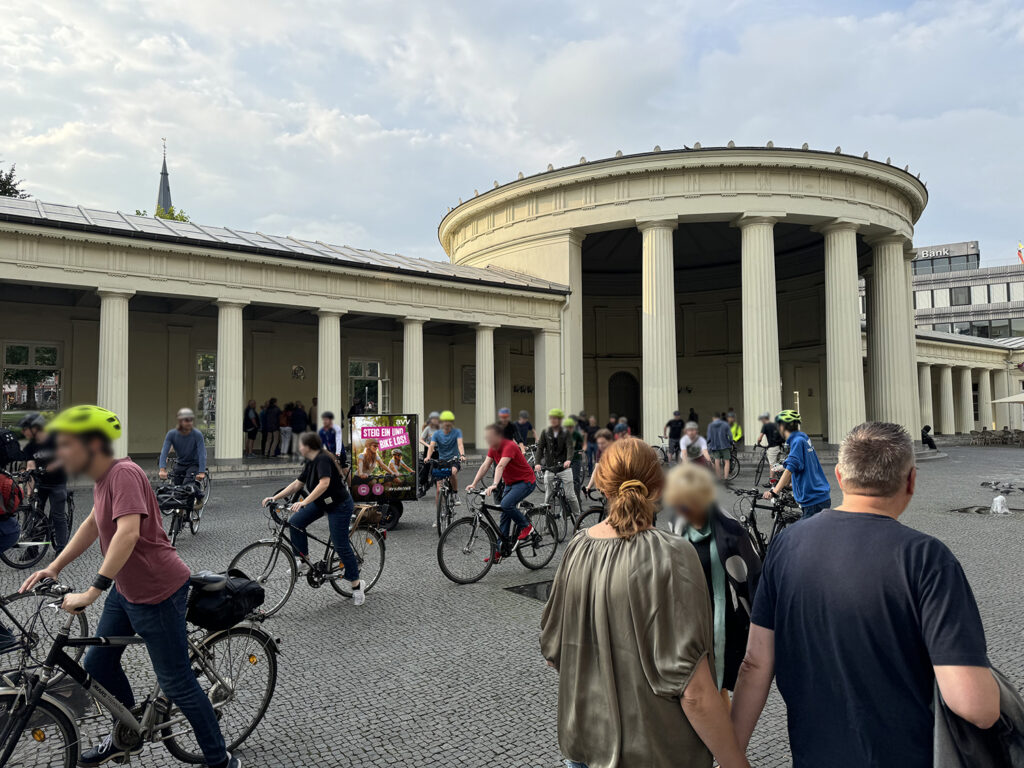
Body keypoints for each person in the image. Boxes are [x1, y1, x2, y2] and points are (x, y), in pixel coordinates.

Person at [732, 422, 999, 767]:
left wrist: (732, 751)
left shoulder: (787, 544)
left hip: (814, 756)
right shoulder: (927, 558)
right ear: (911, 481)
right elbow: (975, 706)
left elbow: (754, 664)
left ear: (840, 477)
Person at [21, 405, 241, 768]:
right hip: (126, 589)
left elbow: (127, 532)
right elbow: (94, 523)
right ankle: (129, 727)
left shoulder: (123, 472)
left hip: (158, 590)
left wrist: (93, 590)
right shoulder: (103, 476)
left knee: (177, 683)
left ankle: (220, 760)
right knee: (99, 664)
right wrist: (55, 566)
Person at [541, 438, 750, 768]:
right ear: (659, 486)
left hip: (584, 748)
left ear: (603, 487)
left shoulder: (577, 548)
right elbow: (694, 692)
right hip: (657, 752)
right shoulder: (673, 554)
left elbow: (555, 655)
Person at [665, 463, 761, 702]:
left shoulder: (732, 531)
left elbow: (754, 581)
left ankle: (724, 737)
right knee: (692, 694)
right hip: (686, 624)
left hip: (722, 625)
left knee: (717, 692)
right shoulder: (676, 525)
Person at [262, 432, 364, 606]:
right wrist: (275, 497)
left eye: (300, 444)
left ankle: (356, 585)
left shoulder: (322, 458)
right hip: (321, 503)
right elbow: (297, 484)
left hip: (339, 505)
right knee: (295, 523)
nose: (298, 448)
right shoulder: (310, 460)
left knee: (340, 545)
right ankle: (302, 559)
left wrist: (304, 502)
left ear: (308, 446)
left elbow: (324, 483)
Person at [466, 423, 537, 562]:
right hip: (511, 484)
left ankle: (527, 527)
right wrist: (474, 483)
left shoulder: (509, 446)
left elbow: (501, 465)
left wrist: (494, 485)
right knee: (504, 515)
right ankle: (500, 550)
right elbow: (485, 465)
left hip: (526, 481)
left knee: (506, 504)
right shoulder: (493, 448)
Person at [761, 410, 831, 518]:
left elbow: (790, 469)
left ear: (782, 426)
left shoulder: (797, 441)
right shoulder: (803, 438)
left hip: (812, 500)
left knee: (809, 534)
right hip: (819, 495)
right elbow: (801, 464)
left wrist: (774, 492)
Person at [19, 412, 70, 554]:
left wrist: (53, 465)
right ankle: (33, 549)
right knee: (34, 514)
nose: (23, 432)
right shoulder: (30, 447)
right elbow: (30, 466)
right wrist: (29, 486)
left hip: (57, 483)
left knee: (57, 515)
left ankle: (61, 549)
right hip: (40, 485)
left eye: (25, 428)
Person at [534, 408, 583, 522]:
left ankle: (579, 519)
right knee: (548, 498)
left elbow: (570, 447)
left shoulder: (566, 432)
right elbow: (540, 448)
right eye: (551, 418)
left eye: (555, 418)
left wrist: (568, 460)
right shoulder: (545, 432)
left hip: (564, 468)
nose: (553, 420)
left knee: (571, 496)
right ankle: (549, 524)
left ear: (560, 420)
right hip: (550, 468)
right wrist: (537, 463)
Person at [158, 408, 207, 488]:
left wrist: (201, 472)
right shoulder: (171, 434)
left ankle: (199, 497)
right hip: (181, 462)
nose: (189, 422)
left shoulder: (197, 434)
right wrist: (162, 469)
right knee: (175, 485)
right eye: (187, 420)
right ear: (180, 421)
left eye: (191, 420)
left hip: (194, 463)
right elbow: (164, 451)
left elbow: (202, 453)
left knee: (187, 486)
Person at [424, 410, 466, 492]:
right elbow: (431, 446)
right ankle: (441, 503)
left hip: (454, 460)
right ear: (441, 422)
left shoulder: (457, 432)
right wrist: (428, 457)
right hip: (442, 460)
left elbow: (460, 445)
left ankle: (455, 493)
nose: (447, 423)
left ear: (452, 422)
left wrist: (462, 455)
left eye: (449, 421)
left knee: (453, 473)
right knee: (439, 487)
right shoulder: (436, 434)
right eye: (445, 421)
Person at [754, 411, 785, 480]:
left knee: (772, 464)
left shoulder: (765, 425)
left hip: (772, 447)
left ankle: (771, 481)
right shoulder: (775, 424)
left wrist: (758, 443)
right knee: (776, 463)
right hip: (779, 446)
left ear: (764, 419)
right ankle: (777, 479)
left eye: (761, 419)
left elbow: (760, 438)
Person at [706, 413, 733, 480]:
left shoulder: (710, 425)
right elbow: (730, 435)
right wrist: (730, 442)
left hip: (715, 446)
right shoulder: (725, 424)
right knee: (727, 462)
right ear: (719, 418)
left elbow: (709, 438)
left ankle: (719, 478)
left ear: (713, 418)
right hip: (725, 446)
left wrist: (708, 443)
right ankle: (726, 478)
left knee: (717, 462)